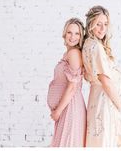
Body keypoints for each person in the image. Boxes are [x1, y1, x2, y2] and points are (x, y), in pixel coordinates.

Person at [82, 5, 121, 147]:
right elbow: (105, 80)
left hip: (98, 100)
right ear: (91, 25)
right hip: (104, 101)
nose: (102, 28)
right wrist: (120, 104)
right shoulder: (95, 47)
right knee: (110, 142)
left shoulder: (89, 44)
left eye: (105, 24)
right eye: (98, 24)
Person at [47, 18, 87, 147]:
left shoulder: (74, 53)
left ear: (81, 36)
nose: (73, 37)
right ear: (64, 34)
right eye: (70, 32)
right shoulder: (69, 53)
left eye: (77, 33)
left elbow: (72, 87)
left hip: (70, 106)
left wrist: (58, 111)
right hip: (67, 106)